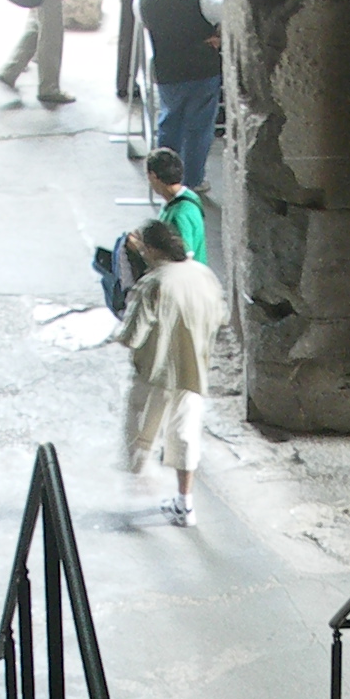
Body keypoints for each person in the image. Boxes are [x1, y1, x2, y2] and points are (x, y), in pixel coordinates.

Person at [115, 217, 225, 524]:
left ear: (150, 249)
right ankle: (184, 502)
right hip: (194, 370)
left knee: (142, 428)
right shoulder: (204, 275)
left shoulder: (154, 283)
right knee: (185, 433)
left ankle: (140, 478)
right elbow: (220, 317)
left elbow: (131, 336)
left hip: (156, 371)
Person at [142, 0, 223, 189]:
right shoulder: (203, 0)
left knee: (169, 123)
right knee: (199, 129)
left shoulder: (144, 1)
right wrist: (217, 36)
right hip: (202, 71)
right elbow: (229, 13)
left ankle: (165, 179)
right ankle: (193, 180)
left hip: (168, 73)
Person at [90, 148, 209, 313]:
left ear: (153, 176)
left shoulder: (182, 213)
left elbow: (183, 257)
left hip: (184, 294)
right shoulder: (183, 199)